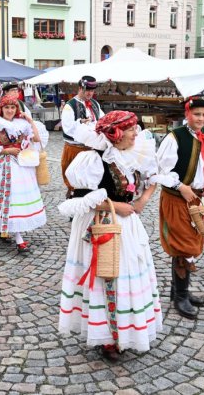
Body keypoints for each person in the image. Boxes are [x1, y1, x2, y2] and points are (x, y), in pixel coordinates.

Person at [57, 111, 162, 360]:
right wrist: (116, 206)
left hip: (127, 224)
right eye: (131, 129)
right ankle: (107, 335)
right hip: (101, 224)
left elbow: (152, 181)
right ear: (116, 133)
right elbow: (79, 199)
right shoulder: (92, 160)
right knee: (107, 276)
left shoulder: (133, 154)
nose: (136, 133)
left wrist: (141, 202)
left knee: (127, 275)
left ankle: (125, 331)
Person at [156, 95, 204, 320]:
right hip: (178, 198)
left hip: (200, 198)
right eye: (196, 114)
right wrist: (181, 186)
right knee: (183, 246)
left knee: (195, 240)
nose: (200, 119)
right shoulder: (175, 137)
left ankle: (179, 290)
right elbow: (161, 168)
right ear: (187, 114)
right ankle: (180, 296)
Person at [0, 95, 48, 253]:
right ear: (1, 109)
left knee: (16, 199)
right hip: (0, 167)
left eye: (13, 108)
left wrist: (30, 120)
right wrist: (6, 150)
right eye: (7, 107)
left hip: (20, 166)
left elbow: (37, 139)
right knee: (6, 198)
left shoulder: (22, 124)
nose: (10, 110)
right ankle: (13, 235)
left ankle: (15, 233)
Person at [60, 76, 104, 197]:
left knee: (92, 183)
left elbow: (102, 119)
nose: (90, 93)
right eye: (87, 90)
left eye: (92, 90)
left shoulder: (95, 104)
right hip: (75, 150)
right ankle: (73, 212)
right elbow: (67, 128)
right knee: (75, 184)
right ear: (80, 88)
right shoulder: (70, 106)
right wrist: (80, 123)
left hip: (92, 149)